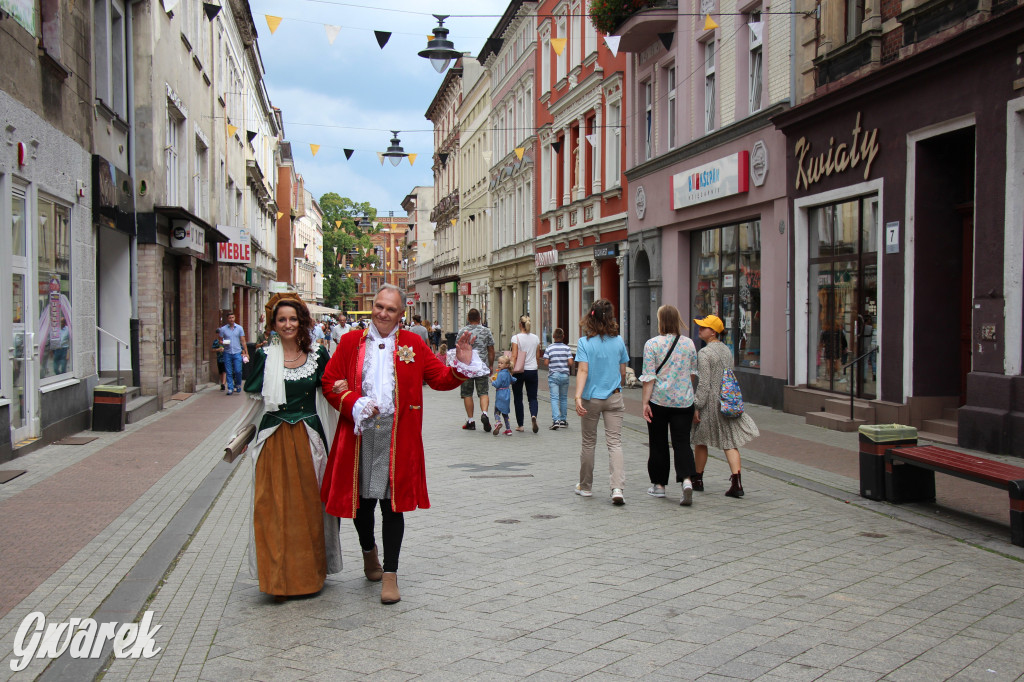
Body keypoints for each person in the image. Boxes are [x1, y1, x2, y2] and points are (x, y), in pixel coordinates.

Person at [320, 284, 488, 605]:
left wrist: (460, 364)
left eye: (391, 309)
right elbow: (330, 382)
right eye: (379, 306)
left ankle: (390, 574)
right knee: (361, 505)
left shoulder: (411, 343)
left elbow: (439, 378)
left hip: (398, 435)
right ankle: (369, 552)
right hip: (359, 434)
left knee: (392, 506)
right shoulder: (349, 342)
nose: (383, 313)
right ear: (373, 306)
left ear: (401, 314)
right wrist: (352, 401)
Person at [237, 293, 344, 601]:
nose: (287, 324)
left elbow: (330, 390)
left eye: (293, 319)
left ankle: (308, 576)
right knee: (271, 509)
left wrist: (342, 392)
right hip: (273, 439)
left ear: (302, 322)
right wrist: (238, 437)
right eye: (282, 319)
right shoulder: (264, 357)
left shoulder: (318, 355)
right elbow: (252, 404)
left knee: (309, 509)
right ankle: (276, 579)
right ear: (274, 323)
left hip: (309, 439)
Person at [691, 315, 760, 498]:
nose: (700, 330)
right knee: (729, 442)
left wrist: (696, 405)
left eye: (704, 327)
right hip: (727, 401)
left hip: (711, 403)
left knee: (700, 439)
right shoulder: (726, 350)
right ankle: (736, 482)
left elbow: (704, 384)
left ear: (713, 331)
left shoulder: (704, 353)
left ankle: (698, 479)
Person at [639, 306, 699, 506]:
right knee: (682, 442)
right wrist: (685, 390)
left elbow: (649, 377)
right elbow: (692, 373)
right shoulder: (689, 344)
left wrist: (645, 402)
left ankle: (659, 486)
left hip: (659, 400)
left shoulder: (652, 344)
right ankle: (687, 480)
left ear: (660, 321)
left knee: (658, 442)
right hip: (684, 401)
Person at [574, 299, 629, 505]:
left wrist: (578, 396)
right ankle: (617, 488)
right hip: (614, 396)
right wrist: (616, 385)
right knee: (614, 443)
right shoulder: (619, 341)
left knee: (589, 442)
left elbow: (583, 370)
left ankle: (586, 487)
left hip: (591, 398)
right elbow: (622, 371)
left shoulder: (584, 343)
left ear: (591, 316)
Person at [456, 309, 495, 432]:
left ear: (468, 318)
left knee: (467, 394)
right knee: (483, 392)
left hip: (467, 368)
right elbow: (491, 350)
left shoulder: (463, 331)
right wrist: (490, 365)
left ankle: (471, 421)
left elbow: (458, 349)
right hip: (481, 367)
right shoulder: (486, 331)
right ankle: (484, 413)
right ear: (479, 318)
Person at [510, 315, 541, 433]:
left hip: (519, 370)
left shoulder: (516, 338)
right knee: (533, 397)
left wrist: (511, 370)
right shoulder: (536, 338)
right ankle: (533, 415)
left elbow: (514, 355)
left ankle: (520, 425)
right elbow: (538, 356)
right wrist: (536, 366)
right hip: (532, 370)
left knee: (518, 398)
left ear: (519, 325)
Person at [544, 328, 573, 430]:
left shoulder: (549, 348)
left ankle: (556, 420)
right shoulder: (567, 348)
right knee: (564, 398)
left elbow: (546, 363)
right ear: (563, 336)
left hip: (554, 375)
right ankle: (563, 420)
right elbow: (570, 363)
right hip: (565, 375)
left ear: (553, 337)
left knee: (554, 398)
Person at [218, 312, 249, 394]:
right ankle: (230, 388)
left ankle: (238, 385)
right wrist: (224, 342)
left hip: (237, 352)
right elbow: (220, 340)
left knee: (238, 370)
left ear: (234, 318)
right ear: (227, 319)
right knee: (229, 371)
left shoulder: (239, 328)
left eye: (232, 317)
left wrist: (246, 352)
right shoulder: (223, 329)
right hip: (227, 352)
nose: (231, 319)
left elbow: (243, 341)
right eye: (230, 318)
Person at [491, 354, 516, 436]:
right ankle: (508, 429)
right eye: (498, 363)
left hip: (500, 394)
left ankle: (498, 422)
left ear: (507, 365)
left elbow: (497, 384)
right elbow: (514, 380)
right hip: (507, 394)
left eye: (501, 363)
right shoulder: (508, 373)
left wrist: (492, 381)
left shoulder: (501, 374)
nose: (499, 364)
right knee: (505, 413)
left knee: (496, 411)